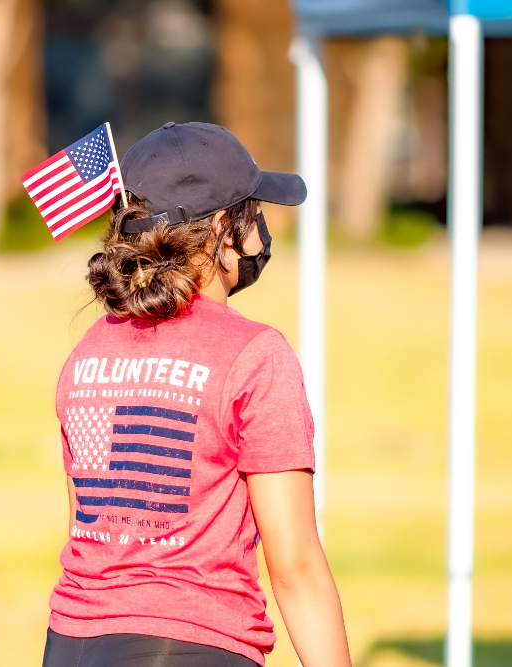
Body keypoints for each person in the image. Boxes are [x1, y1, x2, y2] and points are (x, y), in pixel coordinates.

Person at [42, 122, 351, 667]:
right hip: (189, 644)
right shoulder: (256, 355)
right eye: (253, 213)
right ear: (218, 232)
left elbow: (96, 534)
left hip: (71, 643)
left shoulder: (86, 355)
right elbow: (295, 564)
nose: (260, 235)